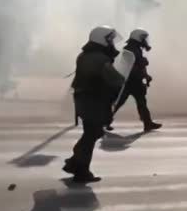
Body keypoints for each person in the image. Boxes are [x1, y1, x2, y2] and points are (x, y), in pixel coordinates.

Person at [63, 26, 126, 184]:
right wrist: (121, 80)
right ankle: (81, 171)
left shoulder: (87, 55)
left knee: (93, 133)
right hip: (93, 101)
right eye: (109, 39)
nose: (112, 42)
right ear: (102, 39)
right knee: (91, 135)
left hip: (85, 99)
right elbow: (114, 79)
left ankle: (74, 163)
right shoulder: (99, 58)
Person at [111, 29, 161, 132]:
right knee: (119, 102)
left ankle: (148, 123)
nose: (145, 41)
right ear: (138, 38)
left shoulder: (135, 48)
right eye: (143, 38)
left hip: (133, 81)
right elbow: (132, 66)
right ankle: (103, 121)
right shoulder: (130, 49)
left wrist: (145, 74)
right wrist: (143, 71)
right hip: (129, 81)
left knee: (140, 102)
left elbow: (139, 65)